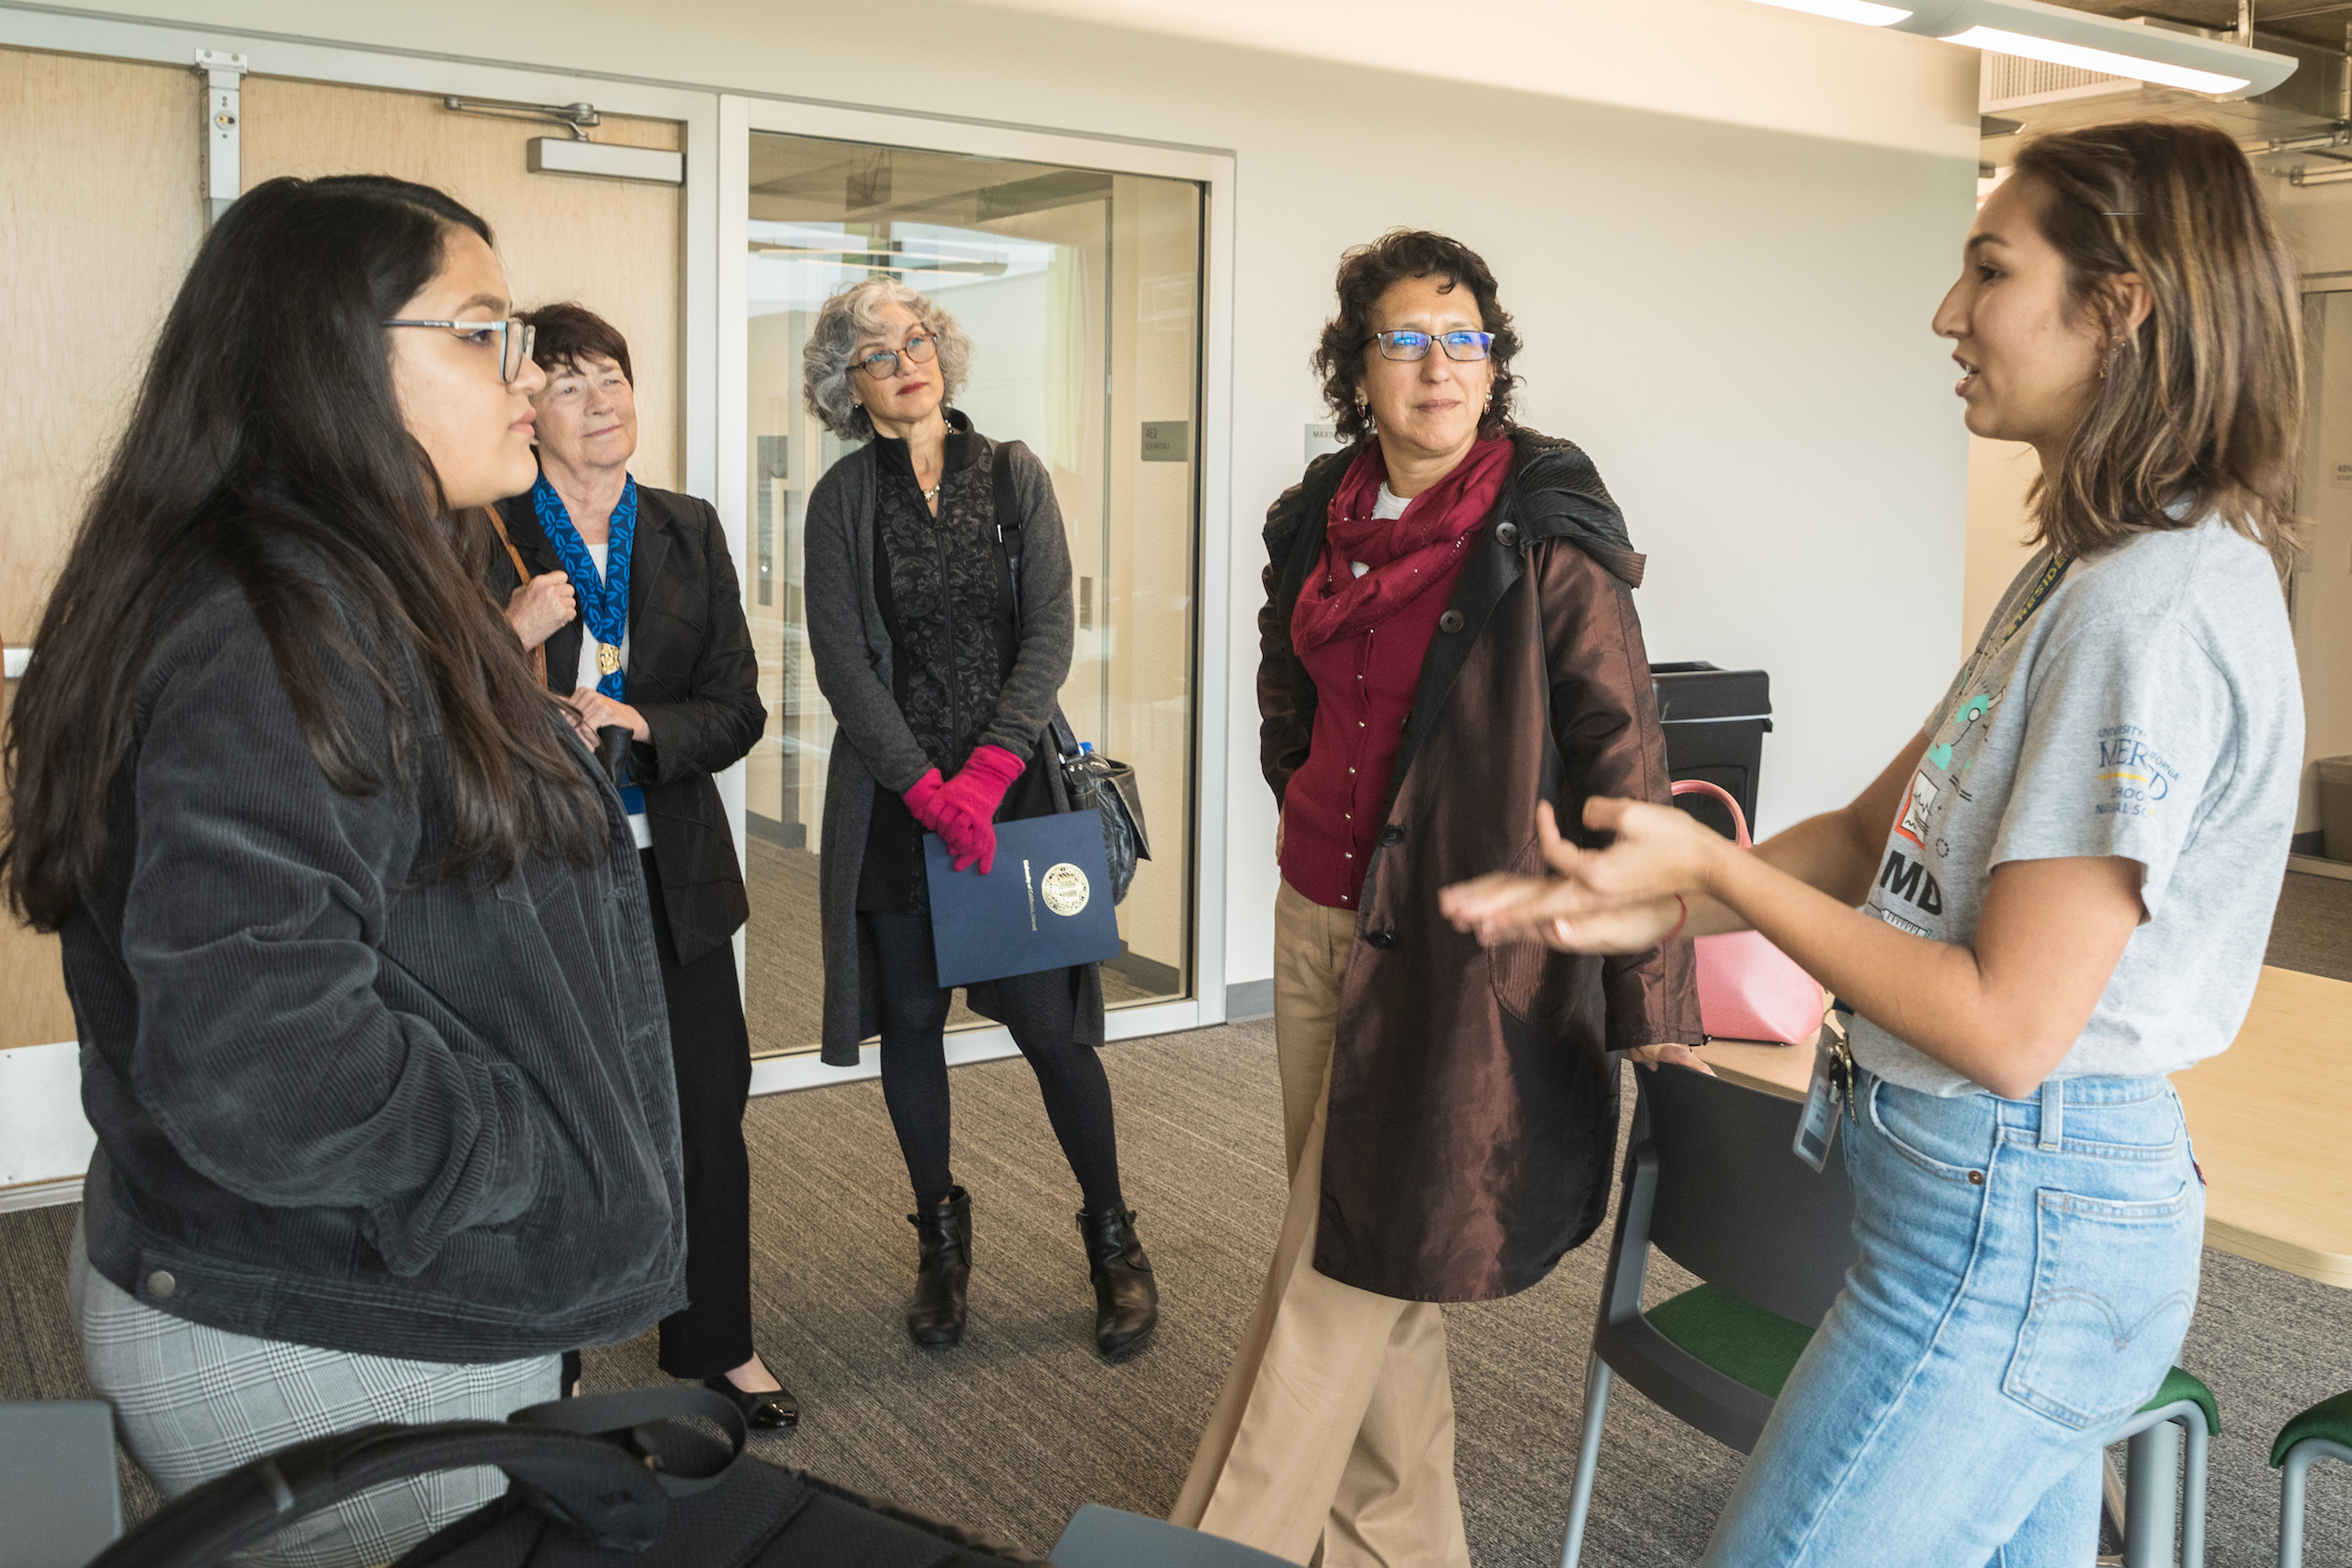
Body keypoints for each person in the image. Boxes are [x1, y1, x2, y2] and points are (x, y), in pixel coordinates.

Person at [1444, 121, 2305, 1566]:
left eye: (1987, 269)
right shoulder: (2082, 570)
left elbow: (2004, 1023)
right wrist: (1647, 904)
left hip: (2014, 1231)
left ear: (2117, 305)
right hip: (1969, 1214)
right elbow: (1865, 834)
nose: (1945, 314)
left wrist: (1714, 871)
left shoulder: (2140, 618)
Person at [0, 176, 686, 1568]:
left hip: (327, 1283)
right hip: (335, 1322)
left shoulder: (328, 580)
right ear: (330, 355)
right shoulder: (283, 616)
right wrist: (515, 1146)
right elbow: (257, 1045)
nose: (529, 375)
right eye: (485, 333)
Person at [1171, 230, 1701, 1567]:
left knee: (1331, 1264)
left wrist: (1651, 995)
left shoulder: (1544, 524)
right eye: (1405, 339)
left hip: (1455, 958)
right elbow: (1282, 702)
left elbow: (1621, 749)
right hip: (1315, 922)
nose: (1436, 366)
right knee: (1371, 1243)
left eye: (1461, 340)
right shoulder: (1313, 514)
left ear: (1493, 366)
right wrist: (1313, 812)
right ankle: (1404, 1546)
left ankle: (1219, 1544)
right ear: (1358, 369)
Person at [800, 276, 1158, 1359]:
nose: (907, 360)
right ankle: (940, 1247)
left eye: (918, 340)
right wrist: (924, 789)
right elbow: (843, 665)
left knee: (1050, 1028)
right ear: (846, 387)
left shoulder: (1012, 476)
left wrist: (987, 775)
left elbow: (1050, 632)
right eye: (878, 352)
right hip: (897, 809)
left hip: (1015, 807)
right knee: (911, 1020)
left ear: (943, 353)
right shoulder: (840, 501)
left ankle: (1114, 1243)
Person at [484, 303, 793, 1429]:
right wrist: (512, 635)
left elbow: (740, 703)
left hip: (672, 864)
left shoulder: (686, 526)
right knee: (554, 1113)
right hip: (540, 872)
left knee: (709, 1104)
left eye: (611, 374)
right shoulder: (482, 529)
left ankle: (719, 1339)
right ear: (530, 411)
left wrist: (646, 721)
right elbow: (427, 707)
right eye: (568, 383)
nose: (600, 399)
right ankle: (549, 1353)